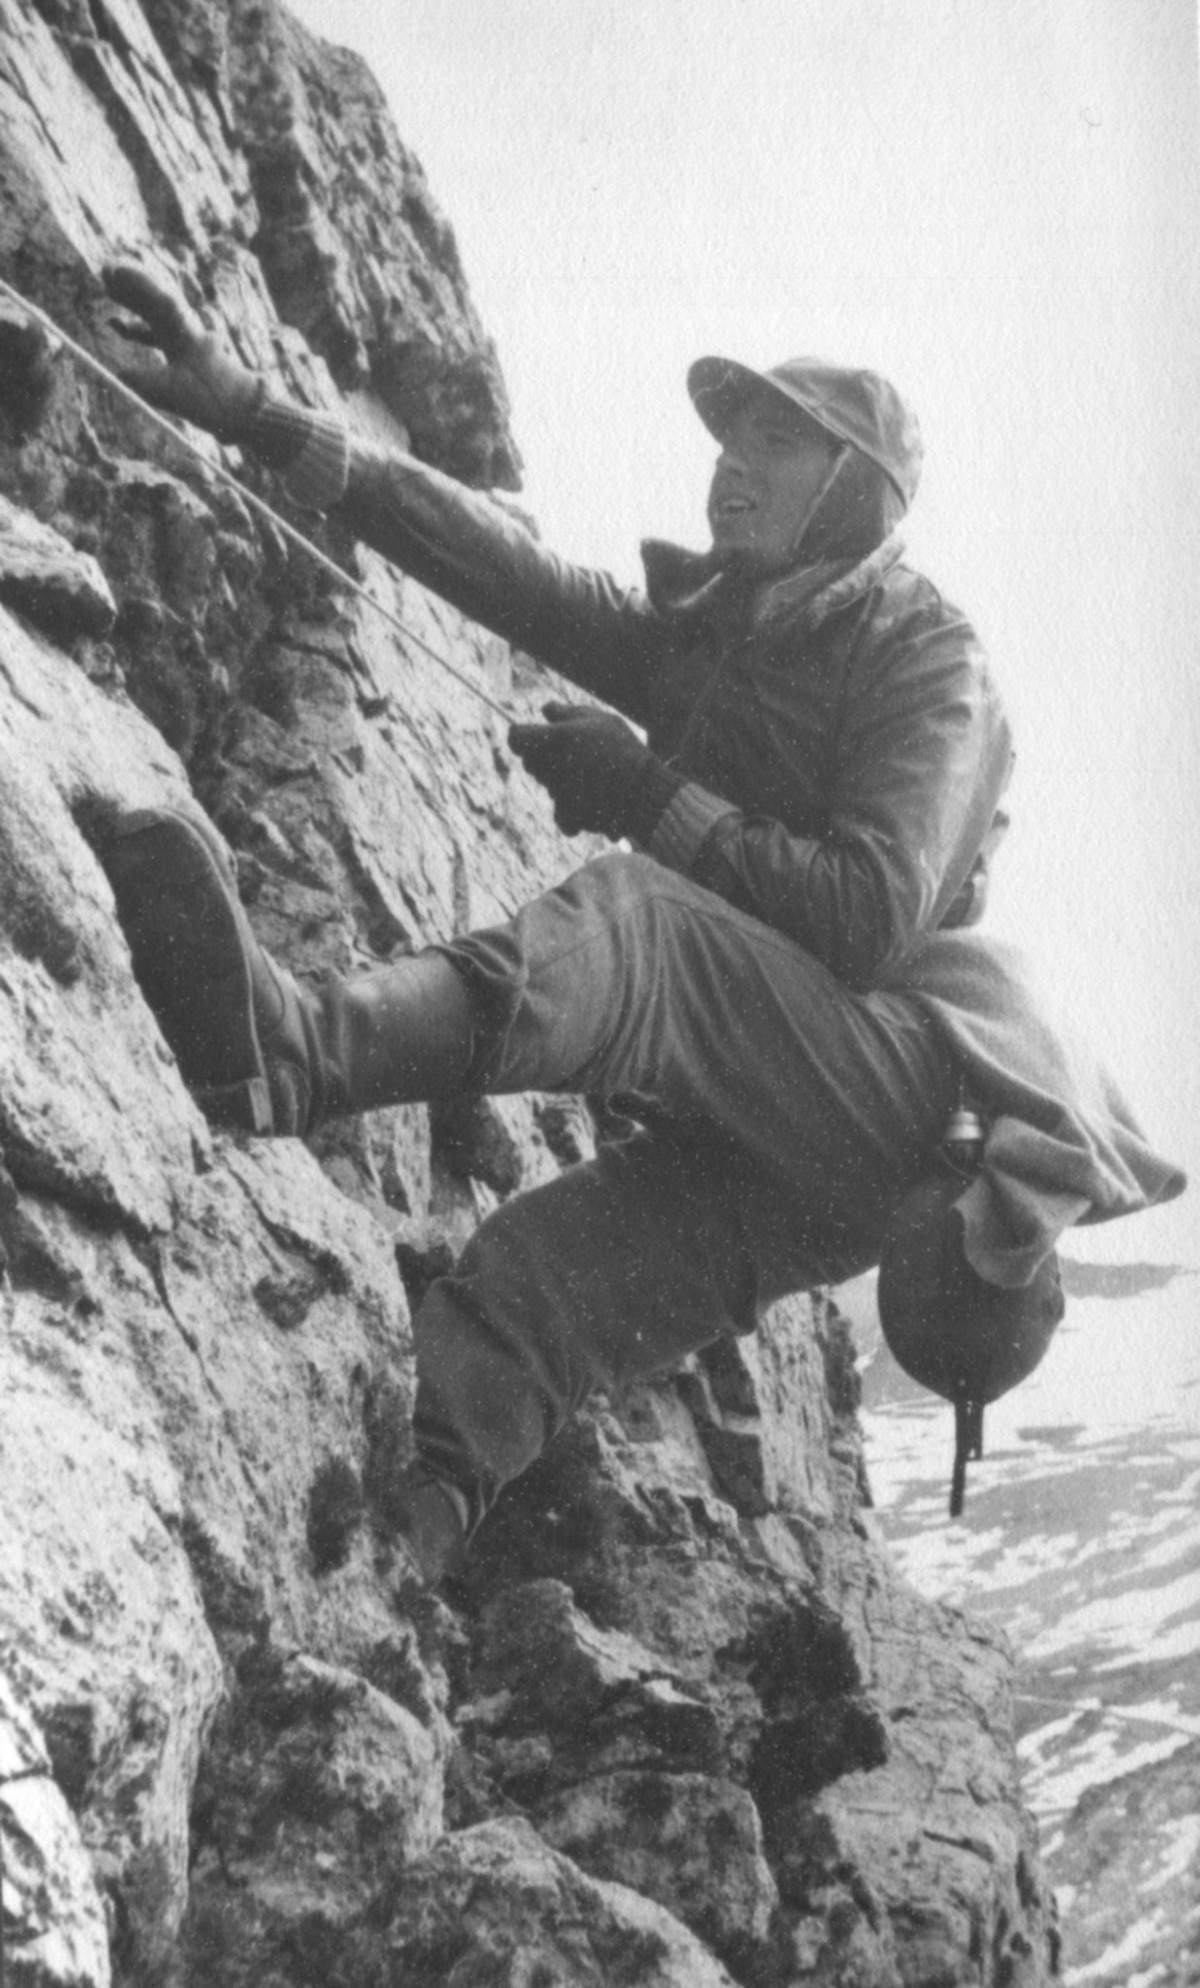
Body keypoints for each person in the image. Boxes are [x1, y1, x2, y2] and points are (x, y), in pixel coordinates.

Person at [90, 265, 1182, 1583]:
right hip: (825, 1135)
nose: (731, 466)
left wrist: (646, 795)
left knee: (643, 931)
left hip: (912, 1105)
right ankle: (416, 1531)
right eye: (729, 439)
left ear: (857, 490)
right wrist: (253, 409)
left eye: (776, 442)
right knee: (549, 1281)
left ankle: (295, 1054)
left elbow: (867, 916)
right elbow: (522, 583)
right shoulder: (727, 630)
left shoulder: (927, 654)